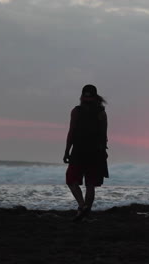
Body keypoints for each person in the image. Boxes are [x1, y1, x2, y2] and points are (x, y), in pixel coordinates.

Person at [63, 84, 108, 221]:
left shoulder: (77, 111)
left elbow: (71, 132)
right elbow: (104, 134)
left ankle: (82, 207)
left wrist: (66, 151)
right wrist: (103, 150)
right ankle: (84, 210)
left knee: (71, 179)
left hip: (79, 150)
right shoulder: (101, 112)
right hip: (95, 152)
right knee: (90, 183)